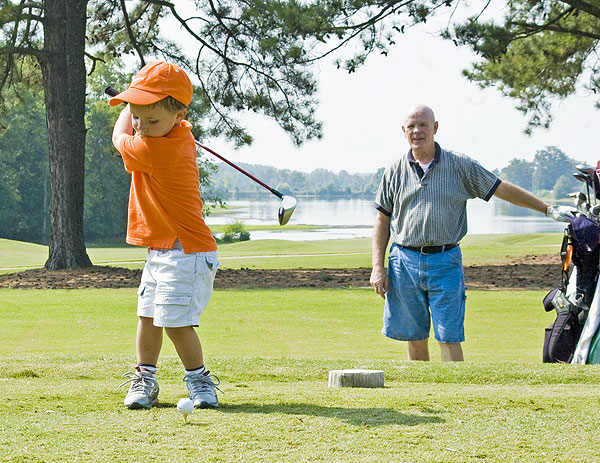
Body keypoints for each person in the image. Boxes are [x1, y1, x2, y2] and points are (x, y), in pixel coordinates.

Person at [369, 104, 575, 362]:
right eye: (411, 126)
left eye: (423, 125)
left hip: (445, 261)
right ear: (403, 131)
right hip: (404, 262)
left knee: (449, 337)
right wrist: (378, 266)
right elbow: (382, 220)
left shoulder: (460, 165)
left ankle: (454, 393)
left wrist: (547, 208)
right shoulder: (394, 170)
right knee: (415, 337)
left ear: (435, 128)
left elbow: (501, 189)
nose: (417, 130)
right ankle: (421, 392)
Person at [110, 61, 221, 409]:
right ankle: (145, 380)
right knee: (147, 317)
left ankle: (200, 382)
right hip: (162, 250)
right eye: (138, 118)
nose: (140, 127)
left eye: (151, 119)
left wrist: (128, 107)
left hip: (186, 251)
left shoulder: (157, 150)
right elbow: (144, 123)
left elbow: (118, 137)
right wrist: (140, 107)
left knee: (175, 323)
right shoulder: (174, 133)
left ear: (178, 114)